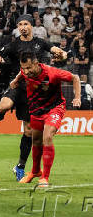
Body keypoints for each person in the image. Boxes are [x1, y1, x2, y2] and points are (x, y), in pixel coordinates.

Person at [0, 15, 67, 182]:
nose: (22, 27)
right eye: (20, 24)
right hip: (16, 85)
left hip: (33, 92)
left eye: (25, 24)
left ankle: (20, 166)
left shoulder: (41, 43)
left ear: (32, 26)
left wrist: (61, 55)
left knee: (28, 131)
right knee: (3, 106)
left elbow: (59, 52)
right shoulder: (14, 44)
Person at [10, 52, 81, 186]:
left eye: (29, 68)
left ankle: (45, 177)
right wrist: (16, 80)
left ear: (37, 64)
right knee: (35, 141)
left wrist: (77, 97)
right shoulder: (24, 71)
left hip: (54, 108)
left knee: (47, 137)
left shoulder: (52, 73)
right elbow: (21, 73)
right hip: (36, 109)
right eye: (23, 67)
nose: (26, 71)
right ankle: (35, 172)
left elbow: (75, 77)